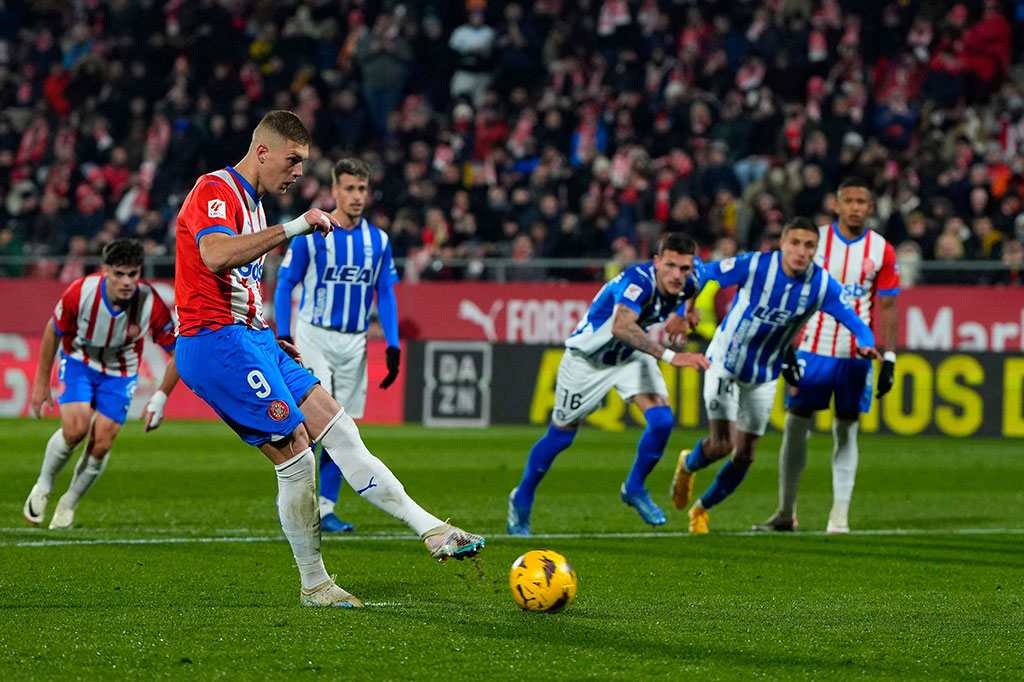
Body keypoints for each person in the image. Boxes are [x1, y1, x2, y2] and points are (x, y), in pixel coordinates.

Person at [173, 110, 483, 608]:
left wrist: (268, 333)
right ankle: (315, 584)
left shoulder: (253, 205)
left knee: (340, 429)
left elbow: (239, 284)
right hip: (215, 341)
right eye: (293, 161)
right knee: (297, 452)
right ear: (262, 152)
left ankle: (431, 529)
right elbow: (213, 256)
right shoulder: (216, 189)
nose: (298, 172)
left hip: (252, 338)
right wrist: (295, 228)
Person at [667, 217, 881, 534]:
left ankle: (701, 509)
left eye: (809, 245)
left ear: (815, 250)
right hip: (723, 363)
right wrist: (687, 307)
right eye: (794, 242)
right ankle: (688, 464)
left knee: (745, 455)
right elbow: (702, 271)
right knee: (723, 444)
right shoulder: (754, 266)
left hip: (765, 375)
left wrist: (865, 343)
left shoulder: (821, 286)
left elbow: (856, 322)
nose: (801, 251)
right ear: (782, 243)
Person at [507, 232, 711, 536]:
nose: (678, 275)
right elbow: (620, 326)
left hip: (630, 357)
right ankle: (521, 497)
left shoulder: (693, 280)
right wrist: (671, 357)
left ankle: (634, 487)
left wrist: (685, 312)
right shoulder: (638, 280)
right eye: (670, 266)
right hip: (587, 361)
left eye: (684, 268)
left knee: (662, 421)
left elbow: (699, 283)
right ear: (656, 262)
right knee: (561, 437)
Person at [754, 178, 900, 534]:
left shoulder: (882, 249)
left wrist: (890, 355)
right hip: (812, 348)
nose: (853, 207)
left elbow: (889, 304)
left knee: (846, 428)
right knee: (796, 422)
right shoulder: (814, 243)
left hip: (855, 354)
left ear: (870, 207)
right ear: (837, 204)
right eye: (847, 200)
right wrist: (787, 342)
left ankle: (839, 516)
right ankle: (786, 512)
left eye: (860, 201)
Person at [273, 157, 402, 534]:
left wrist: (392, 345)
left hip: (355, 343)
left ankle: (325, 509)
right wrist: (285, 335)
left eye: (362, 189)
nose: (357, 196)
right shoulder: (314, 232)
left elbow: (385, 293)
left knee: (341, 426)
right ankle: (298, 501)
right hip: (314, 336)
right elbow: (285, 285)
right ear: (335, 190)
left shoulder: (378, 241)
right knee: (318, 424)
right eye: (349, 188)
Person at [23, 239, 179, 529]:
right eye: (119, 273)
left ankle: (68, 503)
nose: (127, 281)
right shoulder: (80, 292)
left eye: (132, 274)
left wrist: (161, 396)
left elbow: (178, 354)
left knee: (101, 443)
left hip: (121, 373)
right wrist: (41, 381)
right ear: (105, 270)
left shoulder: (151, 303)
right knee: (76, 429)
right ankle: (44, 484)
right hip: (80, 361)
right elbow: (53, 330)